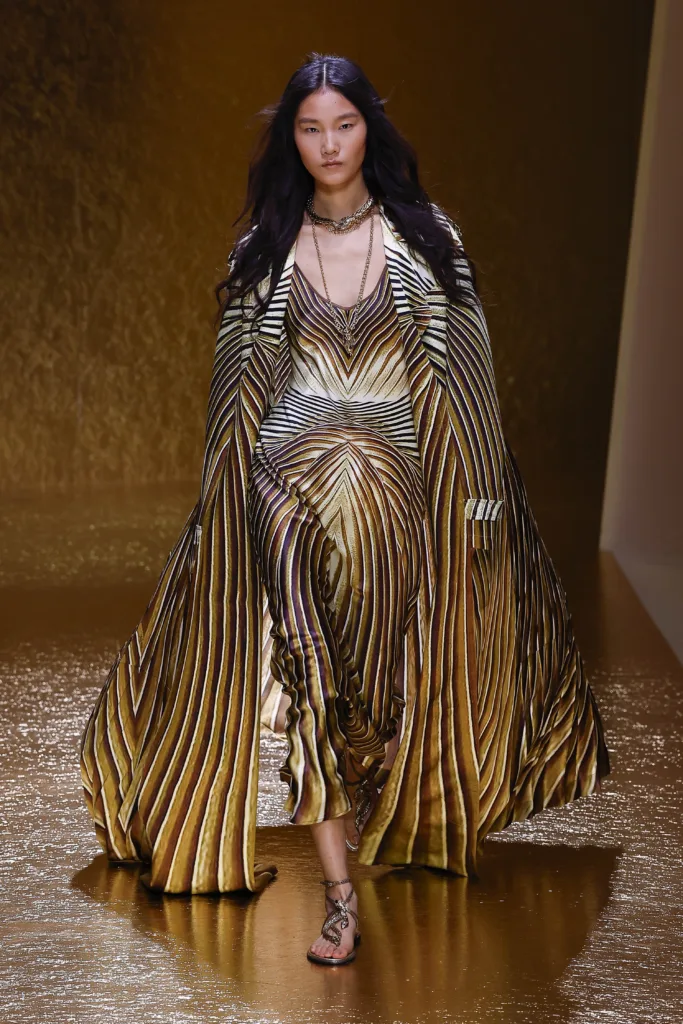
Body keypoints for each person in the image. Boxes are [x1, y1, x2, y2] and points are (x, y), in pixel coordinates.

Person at [80, 52, 611, 968]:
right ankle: (337, 899)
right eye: (309, 128)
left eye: (344, 124)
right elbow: (235, 401)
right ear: (291, 139)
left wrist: (482, 512)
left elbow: (467, 396)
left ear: (371, 129)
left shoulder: (426, 241)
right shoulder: (265, 248)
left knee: (388, 677)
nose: (328, 144)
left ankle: (388, 799)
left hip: (402, 489)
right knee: (310, 667)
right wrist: (221, 511)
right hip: (284, 481)